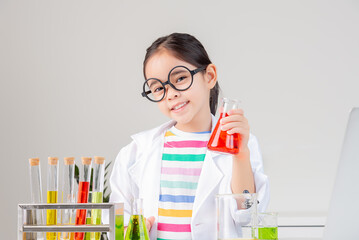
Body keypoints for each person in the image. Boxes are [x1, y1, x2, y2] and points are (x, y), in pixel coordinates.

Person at [109, 32, 269, 240]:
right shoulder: (136, 152)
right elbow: (117, 225)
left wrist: (240, 156)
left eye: (181, 78)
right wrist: (132, 232)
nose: (171, 94)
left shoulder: (240, 146)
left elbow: (247, 215)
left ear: (209, 76)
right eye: (158, 88)